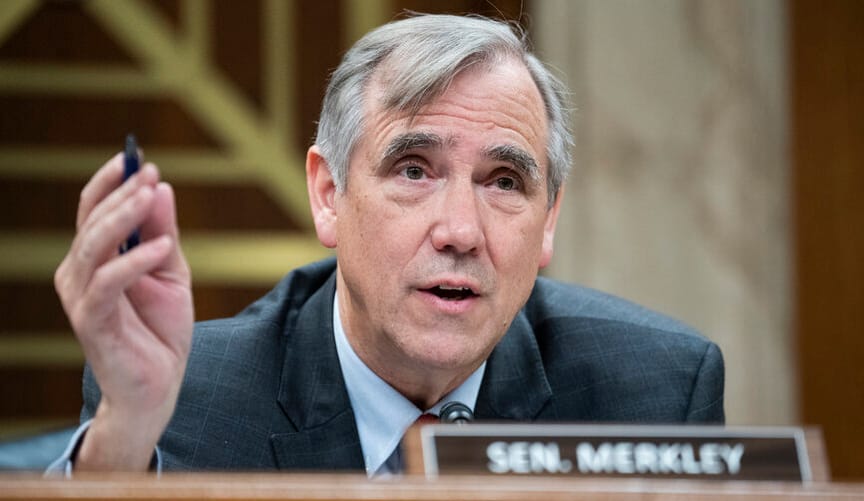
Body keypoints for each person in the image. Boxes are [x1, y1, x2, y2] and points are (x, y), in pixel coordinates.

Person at [51, 13, 724, 476]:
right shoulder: (183, 401)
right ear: (327, 194)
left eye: (504, 181)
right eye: (413, 170)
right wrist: (126, 437)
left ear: (549, 216)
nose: (460, 231)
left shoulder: (657, 397)